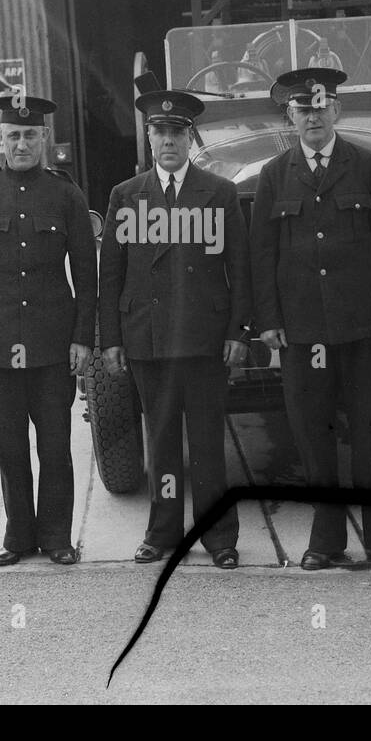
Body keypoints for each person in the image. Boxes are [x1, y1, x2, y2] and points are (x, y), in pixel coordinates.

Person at [250, 68, 371, 571]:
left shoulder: (368, 167)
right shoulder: (274, 175)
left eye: (321, 108)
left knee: (369, 435)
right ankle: (325, 541)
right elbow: (262, 256)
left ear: (337, 111)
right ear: (291, 116)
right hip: (303, 333)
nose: (314, 117)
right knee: (312, 439)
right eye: (303, 109)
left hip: (362, 329)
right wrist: (269, 321)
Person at [98, 90, 250, 568]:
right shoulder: (126, 195)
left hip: (204, 339)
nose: (168, 141)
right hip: (148, 337)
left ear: (191, 138)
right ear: (148, 137)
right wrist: (113, 340)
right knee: (161, 440)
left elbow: (239, 268)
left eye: (177, 132)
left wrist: (236, 333)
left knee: (207, 442)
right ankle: (162, 532)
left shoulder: (219, 193)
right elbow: (111, 276)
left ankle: (219, 537)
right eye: (160, 132)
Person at [0, 95, 97, 565]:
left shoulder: (66, 194)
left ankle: (56, 537)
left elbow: (86, 273)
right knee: (9, 446)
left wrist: (82, 337)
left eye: (31, 135)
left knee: (55, 446)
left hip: (53, 344)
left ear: (44, 139)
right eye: (13, 135)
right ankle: (17, 537)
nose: (22, 143)